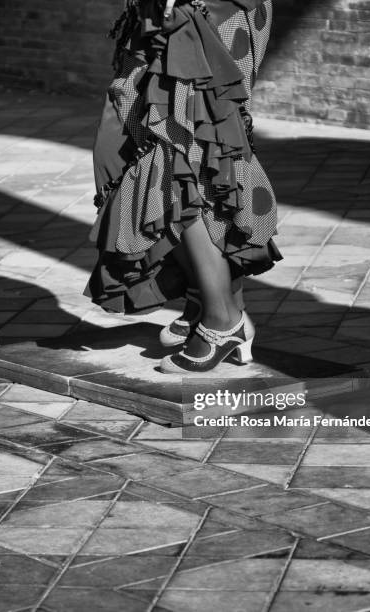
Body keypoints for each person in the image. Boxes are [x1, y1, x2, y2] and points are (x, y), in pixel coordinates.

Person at [84, 0, 282, 373]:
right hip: (160, 8)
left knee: (187, 154)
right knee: (130, 137)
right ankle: (207, 294)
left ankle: (223, 319)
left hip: (208, 11)